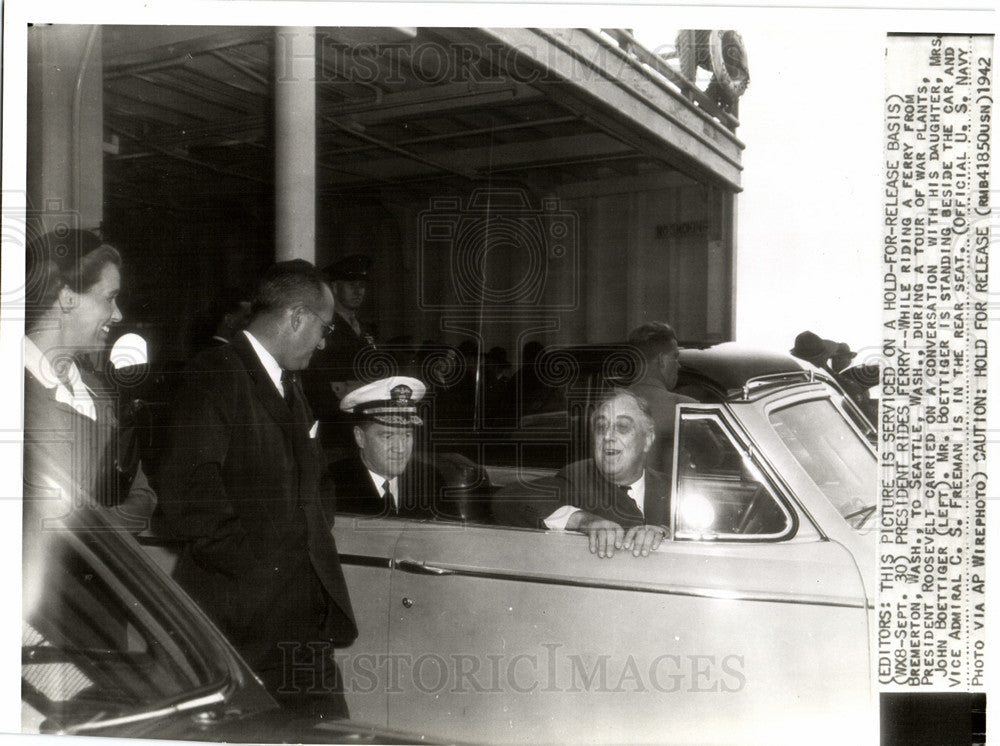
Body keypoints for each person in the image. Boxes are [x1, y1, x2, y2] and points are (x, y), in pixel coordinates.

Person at [155, 259, 356, 717]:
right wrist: (266, 567)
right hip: (241, 618)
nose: (323, 343)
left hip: (300, 618)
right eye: (323, 329)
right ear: (296, 317)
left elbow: (318, 481)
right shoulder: (215, 373)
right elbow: (190, 497)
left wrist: (307, 542)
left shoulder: (290, 383)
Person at [23, 228, 156, 530]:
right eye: (109, 299)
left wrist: (92, 531)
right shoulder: (12, 393)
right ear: (67, 298)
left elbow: (144, 498)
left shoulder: (99, 393)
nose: (118, 314)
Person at [494, 389, 670, 559]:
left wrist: (665, 533)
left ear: (647, 439)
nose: (608, 436)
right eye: (601, 427)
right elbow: (507, 500)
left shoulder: (671, 487)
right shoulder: (577, 478)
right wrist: (582, 521)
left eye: (622, 427)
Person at [329, 376, 444, 518]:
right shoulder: (332, 486)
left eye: (407, 435)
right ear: (360, 437)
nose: (400, 449)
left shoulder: (429, 480)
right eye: (388, 436)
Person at [302, 254, 377, 448]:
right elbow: (316, 380)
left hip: (364, 420)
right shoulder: (325, 326)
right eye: (352, 285)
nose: (358, 291)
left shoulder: (367, 330)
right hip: (335, 423)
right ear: (334, 287)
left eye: (362, 285)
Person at [626, 322, 695, 472]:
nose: (679, 365)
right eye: (675, 357)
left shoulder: (609, 404)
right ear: (662, 360)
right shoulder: (684, 407)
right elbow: (715, 457)